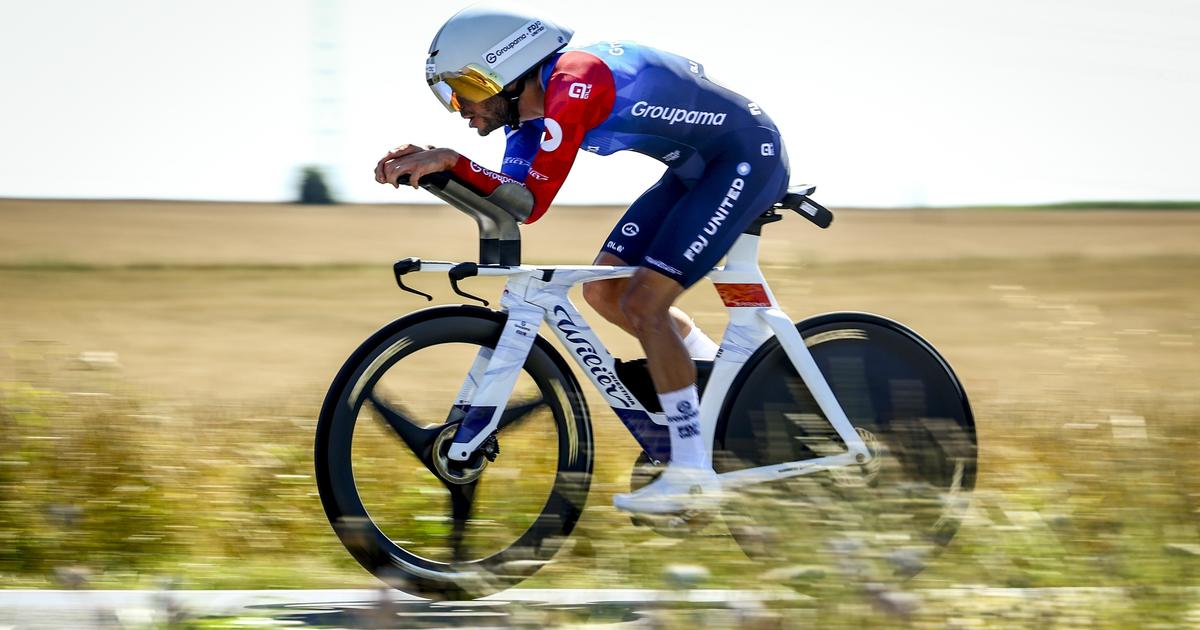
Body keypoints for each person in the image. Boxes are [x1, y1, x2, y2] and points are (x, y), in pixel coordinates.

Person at [375, 4, 790, 514]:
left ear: (506, 70)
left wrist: (454, 162)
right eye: (451, 97)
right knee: (604, 291)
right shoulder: (527, 118)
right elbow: (516, 202)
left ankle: (690, 467)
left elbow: (532, 201)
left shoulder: (575, 81)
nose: (463, 109)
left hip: (744, 156)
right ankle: (711, 388)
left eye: (469, 91)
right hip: (694, 171)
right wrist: (448, 173)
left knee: (644, 303)